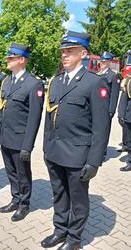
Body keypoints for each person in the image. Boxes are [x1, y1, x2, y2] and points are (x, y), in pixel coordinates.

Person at [42, 31, 110, 250]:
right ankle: (60, 230)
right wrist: (46, 147)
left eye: (69, 51)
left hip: (78, 154)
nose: (64, 55)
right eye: (63, 52)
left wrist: (94, 161)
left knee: (78, 200)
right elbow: (49, 118)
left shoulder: (93, 82)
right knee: (58, 195)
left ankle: (74, 237)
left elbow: (101, 126)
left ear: (83, 53)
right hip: (54, 152)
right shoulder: (55, 81)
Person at [0, 42, 44, 222]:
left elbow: (34, 118)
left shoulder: (33, 84)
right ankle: (15, 199)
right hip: (6, 137)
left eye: (11, 57)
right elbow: (1, 110)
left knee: (23, 174)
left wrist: (27, 145)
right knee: (11, 172)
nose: (7, 60)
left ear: (22, 60)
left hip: (20, 139)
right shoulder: (6, 82)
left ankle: (24, 204)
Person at [98, 52, 120, 155]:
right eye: (101, 61)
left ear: (109, 62)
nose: (102, 63)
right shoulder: (98, 74)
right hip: (96, 106)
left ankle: (102, 152)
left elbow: (114, 95)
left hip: (105, 108)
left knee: (103, 131)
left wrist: (111, 111)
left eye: (104, 62)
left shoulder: (113, 76)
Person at [117, 72, 131, 171]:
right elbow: (124, 98)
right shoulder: (129, 81)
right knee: (129, 141)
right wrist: (121, 114)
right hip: (129, 116)